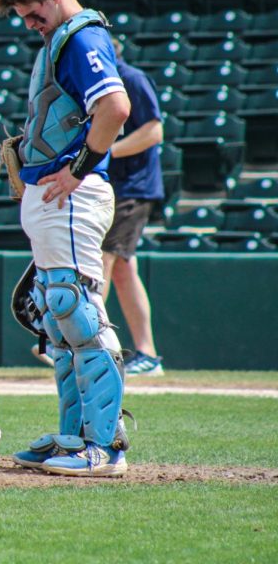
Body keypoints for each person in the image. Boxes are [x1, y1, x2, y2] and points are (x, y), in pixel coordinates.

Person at [0, 0, 133, 478]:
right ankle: (76, 435)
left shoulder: (81, 37)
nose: (29, 24)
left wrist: (77, 167)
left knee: (74, 308)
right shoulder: (62, 38)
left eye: (32, 13)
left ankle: (104, 445)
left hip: (72, 195)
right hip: (53, 198)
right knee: (57, 317)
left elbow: (115, 108)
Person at [102, 39, 165, 376]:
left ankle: (88, 344)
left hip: (133, 186)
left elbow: (154, 131)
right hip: (119, 186)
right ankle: (147, 353)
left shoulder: (132, 79)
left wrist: (106, 152)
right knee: (124, 269)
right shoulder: (105, 84)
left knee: (104, 258)